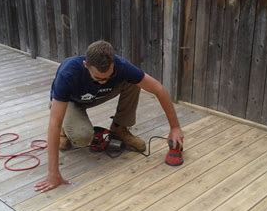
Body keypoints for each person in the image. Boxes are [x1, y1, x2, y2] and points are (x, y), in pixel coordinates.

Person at [34, 40, 184, 193]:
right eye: (98, 78)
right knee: (82, 137)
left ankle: (120, 128)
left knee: (134, 82)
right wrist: (53, 174)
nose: (104, 80)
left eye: (108, 76)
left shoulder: (122, 66)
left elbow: (159, 89)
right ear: (86, 65)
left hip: (95, 96)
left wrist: (175, 127)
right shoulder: (69, 73)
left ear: (114, 63)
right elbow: (54, 123)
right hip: (70, 103)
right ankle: (64, 133)